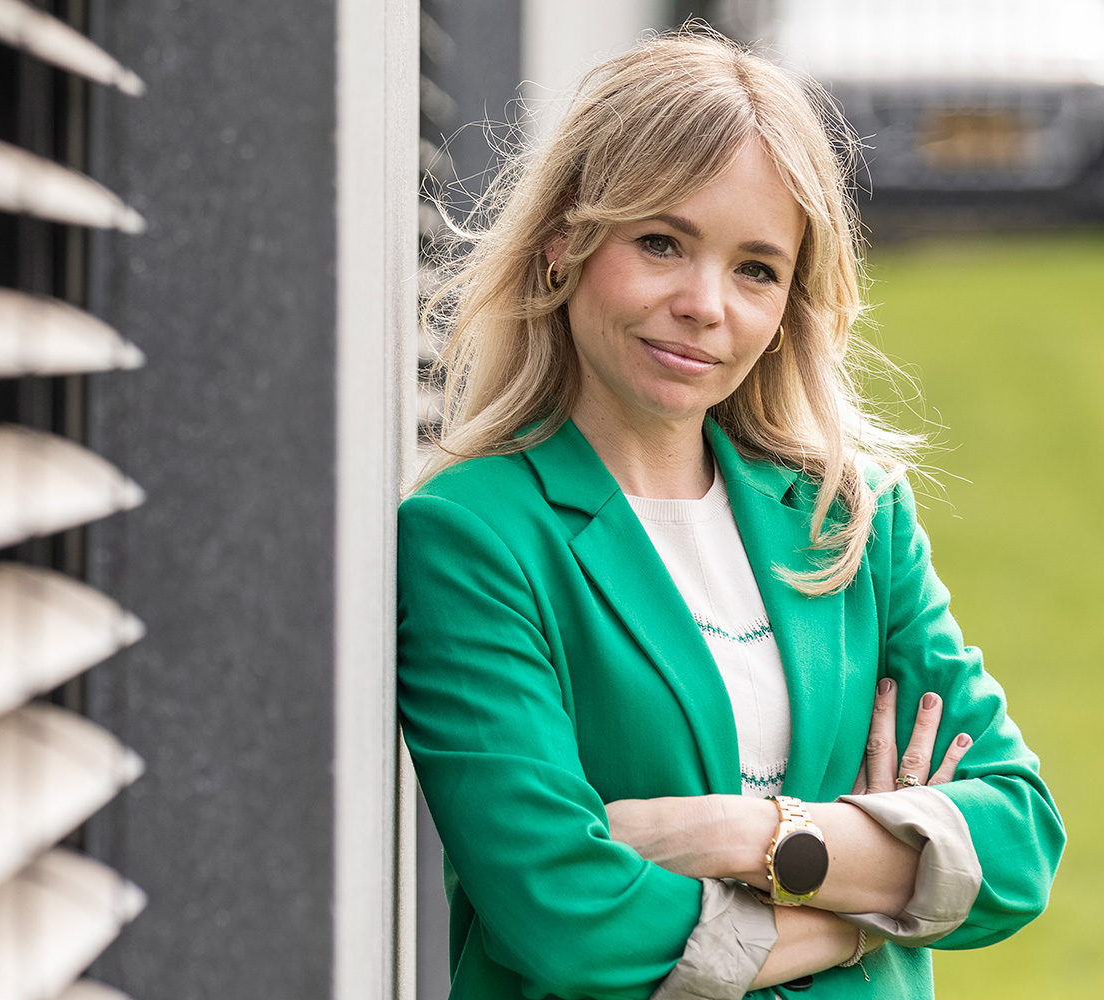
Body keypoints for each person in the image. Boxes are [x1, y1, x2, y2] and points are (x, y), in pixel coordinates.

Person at [397, 29, 1064, 1000]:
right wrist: (866, 908)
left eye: (756, 268)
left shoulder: (851, 518)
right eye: (661, 243)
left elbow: (1020, 840)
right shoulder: (473, 534)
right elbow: (569, 917)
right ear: (562, 245)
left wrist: (750, 835)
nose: (705, 304)